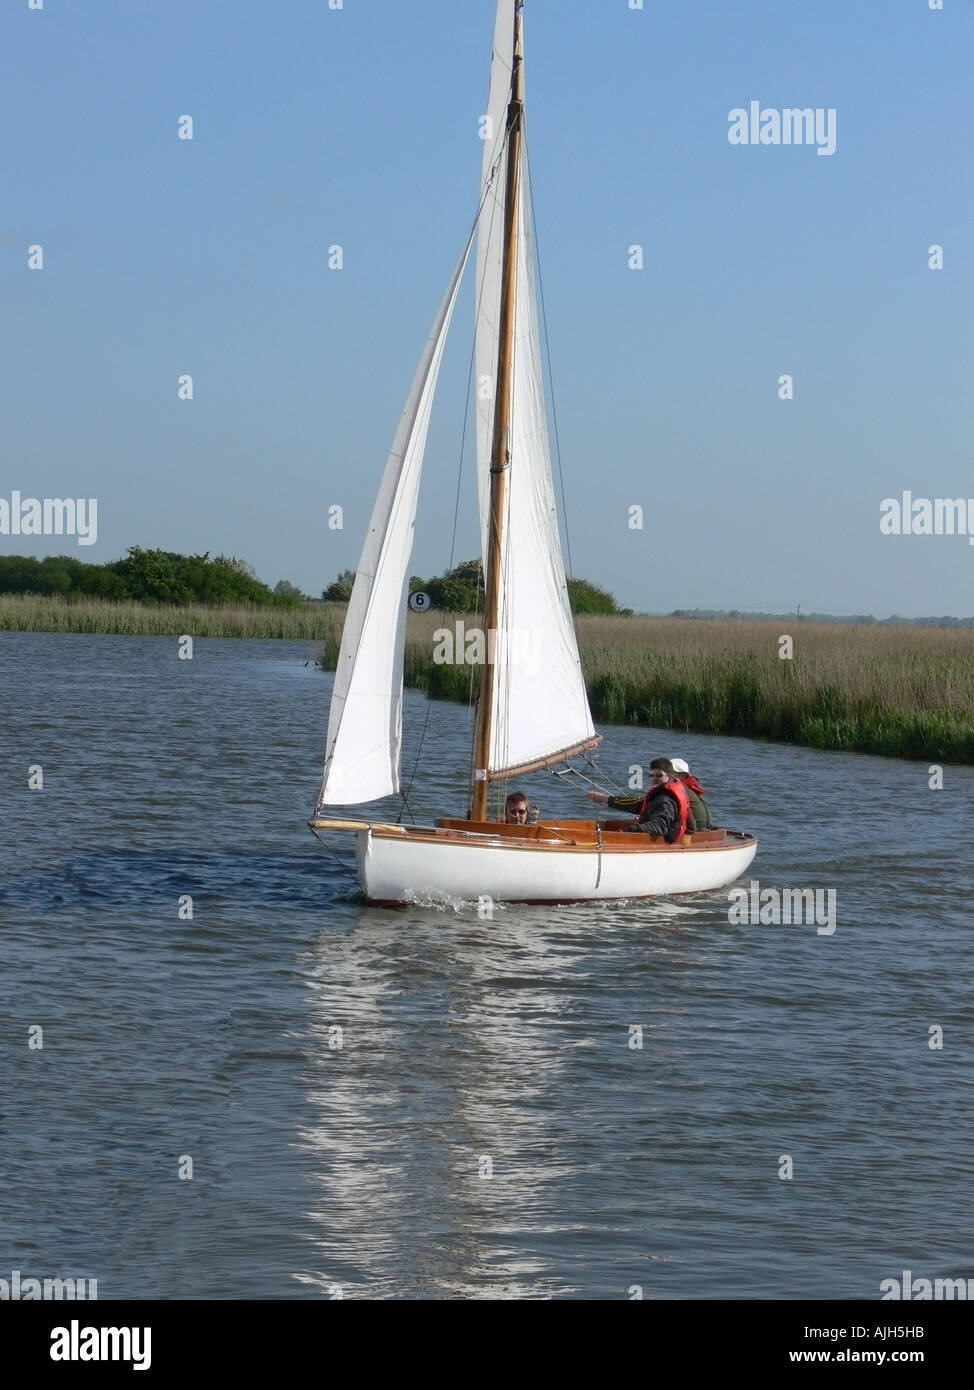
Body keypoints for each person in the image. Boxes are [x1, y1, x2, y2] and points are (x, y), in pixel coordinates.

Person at [590, 758, 693, 841]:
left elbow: (660, 826)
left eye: (659, 775)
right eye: (651, 775)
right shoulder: (675, 793)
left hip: (661, 846)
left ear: (670, 776)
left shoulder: (664, 799)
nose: (654, 778)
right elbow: (691, 826)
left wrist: (632, 829)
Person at [669, 758, 714, 830]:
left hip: (696, 831)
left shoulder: (677, 788)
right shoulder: (689, 787)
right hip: (706, 828)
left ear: (681, 775)